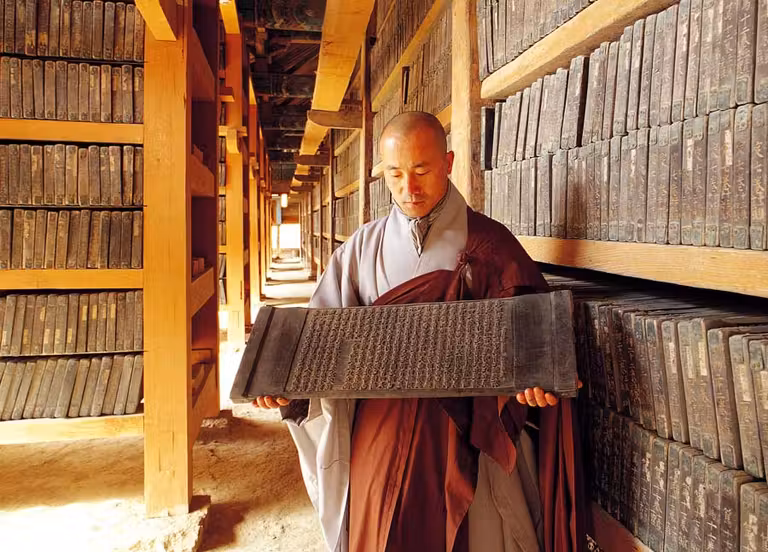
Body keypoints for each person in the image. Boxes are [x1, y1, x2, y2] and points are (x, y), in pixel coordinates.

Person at [254, 111, 584, 552]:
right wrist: (286, 386)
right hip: (379, 430)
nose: (409, 188)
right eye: (395, 174)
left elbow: (532, 345)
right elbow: (319, 339)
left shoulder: (492, 246)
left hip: (464, 435)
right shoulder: (360, 249)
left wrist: (532, 388)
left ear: (448, 163)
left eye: (422, 170)